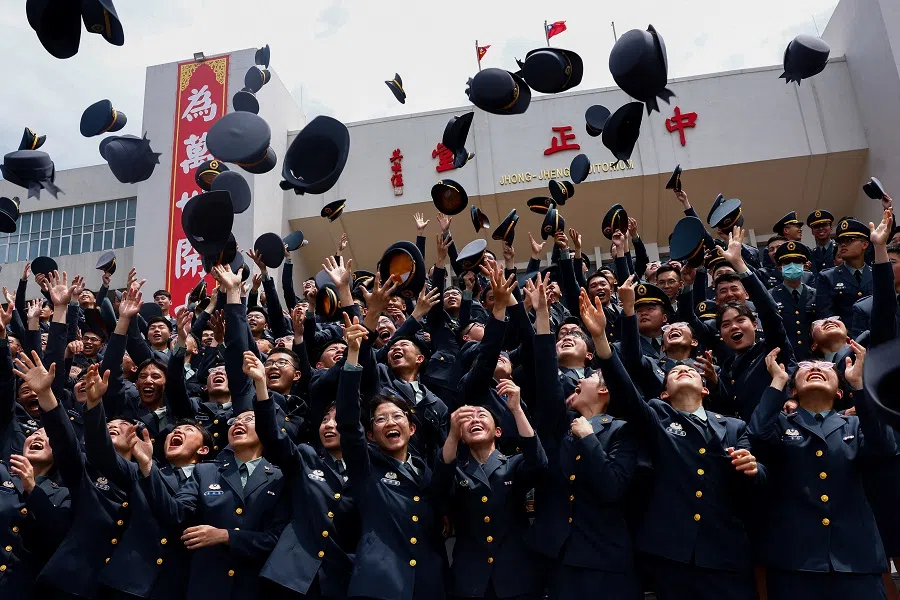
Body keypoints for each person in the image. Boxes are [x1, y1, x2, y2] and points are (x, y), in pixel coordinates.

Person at [582, 292, 762, 599]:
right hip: (672, 555)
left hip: (726, 553)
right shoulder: (656, 416)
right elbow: (626, 394)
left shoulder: (734, 427)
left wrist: (754, 469)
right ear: (664, 394)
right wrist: (600, 340)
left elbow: (757, 484)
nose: (682, 369)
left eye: (691, 370)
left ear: (705, 388)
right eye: (674, 372)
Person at [750, 345, 895, 599]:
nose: (815, 367)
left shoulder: (855, 423)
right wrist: (777, 382)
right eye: (805, 367)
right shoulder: (781, 423)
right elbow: (757, 436)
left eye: (826, 367)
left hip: (855, 558)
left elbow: (884, 446)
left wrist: (859, 386)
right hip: (795, 559)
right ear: (793, 391)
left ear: (840, 392)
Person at [526, 281, 639, 599]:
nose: (576, 382)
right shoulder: (559, 430)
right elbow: (548, 383)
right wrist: (543, 316)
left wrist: (589, 438)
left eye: (589, 376)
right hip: (561, 559)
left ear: (604, 389)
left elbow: (611, 488)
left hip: (606, 560)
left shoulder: (621, 430)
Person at [336, 316, 446, 600]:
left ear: (411, 429)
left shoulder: (426, 471)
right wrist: (352, 356)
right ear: (371, 435)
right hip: (379, 585)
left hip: (428, 584)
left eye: (397, 416)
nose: (389, 422)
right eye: (380, 419)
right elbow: (348, 422)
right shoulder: (366, 466)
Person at [135, 405, 289, 600]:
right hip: (206, 586)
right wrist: (147, 465)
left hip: (253, 588)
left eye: (249, 419)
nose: (238, 422)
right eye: (234, 421)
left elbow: (276, 541)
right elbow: (175, 513)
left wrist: (226, 536)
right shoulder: (205, 472)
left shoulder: (280, 478)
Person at [247, 350, 357, 599]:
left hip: (339, 579)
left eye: (337, 420)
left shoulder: (367, 470)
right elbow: (273, 438)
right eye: (325, 420)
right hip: (290, 576)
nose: (329, 425)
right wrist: (261, 385)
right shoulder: (306, 456)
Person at [437, 382, 547, 599]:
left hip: (517, 577)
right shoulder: (456, 469)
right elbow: (439, 486)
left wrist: (516, 409)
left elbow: (538, 463)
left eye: (482, 416)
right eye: (467, 419)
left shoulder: (513, 464)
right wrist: (451, 435)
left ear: (498, 431)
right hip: (472, 581)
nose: (475, 420)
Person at [816, 218, 873, 324]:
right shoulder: (827, 277)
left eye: (849, 240)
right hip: (844, 337)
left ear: (865, 244)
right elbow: (826, 314)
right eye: (840, 242)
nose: (842, 245)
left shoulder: (876, 274)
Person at [770, 241, 818, 361]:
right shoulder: (771, 296)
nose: (792, 266)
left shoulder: (816, 294)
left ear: (804, 265)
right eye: (787, 263)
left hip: (813, 357)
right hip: (785, 358)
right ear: (780, 268)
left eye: (797, 262)